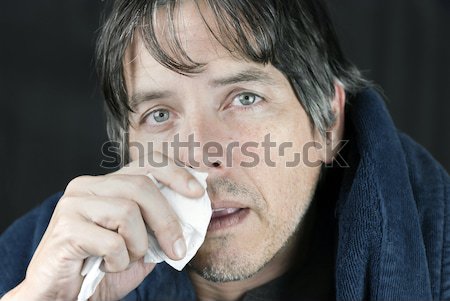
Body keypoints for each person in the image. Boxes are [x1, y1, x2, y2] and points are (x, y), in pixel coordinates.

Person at [1, 0, 449, 300]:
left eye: (244, 99)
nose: (200, 156)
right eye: (159, 114)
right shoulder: (38, 261)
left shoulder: (437, 248)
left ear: (327, 124)